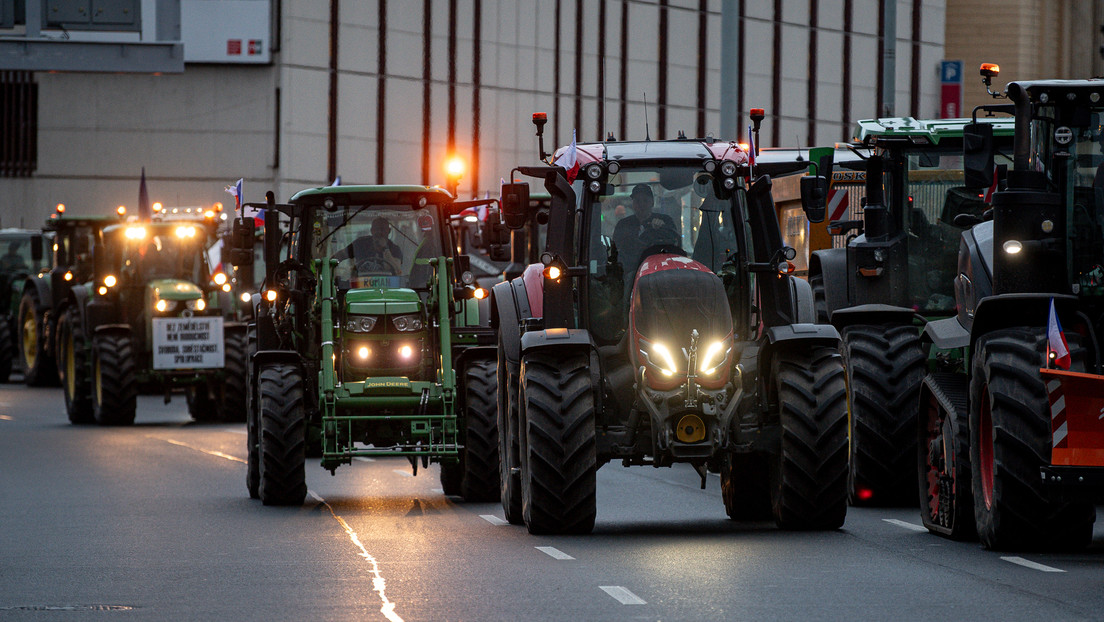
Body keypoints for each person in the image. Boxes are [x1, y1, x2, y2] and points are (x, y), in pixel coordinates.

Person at [611, 184, 678, 272]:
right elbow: (616, 250)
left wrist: (662, 228)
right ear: (633, 204)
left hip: (659, 269)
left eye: (645, 200)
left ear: (652, 202)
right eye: (638, 201)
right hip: (629, 271)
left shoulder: (665, 221)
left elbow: (675, 242)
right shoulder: (623, 225)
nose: (641, 204)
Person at [335, 216, 403, 274]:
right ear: (371, 231)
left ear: (389, 231)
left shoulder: (394, 249)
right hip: (360, 286)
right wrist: (327, 266)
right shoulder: (360, 244)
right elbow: (340, 255)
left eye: (382, 229)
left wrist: (385, 249)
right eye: (376, 229)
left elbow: (398, 271)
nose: (379, 232)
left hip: (387, 286)